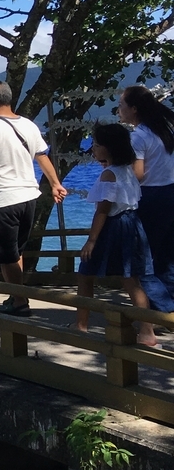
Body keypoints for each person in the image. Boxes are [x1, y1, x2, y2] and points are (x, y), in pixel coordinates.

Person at [0, 81, 68, 315]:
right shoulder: (28, 125)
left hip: (3, 199)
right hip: (29, 197)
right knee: (15, 251)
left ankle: (20, 301)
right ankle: (16, 297)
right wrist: (55, 184)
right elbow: (42, 157)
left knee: (6, 254)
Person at [73, 123, 160, 348]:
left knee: (85, 274)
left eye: (97, 145)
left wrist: (91, 240)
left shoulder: (109, 175)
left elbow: (103, 210)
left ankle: (81, 325)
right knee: (132, 280)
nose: (93, 148)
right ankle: (147, 332)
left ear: (109, 148)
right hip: (132, 224)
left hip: (114, 227)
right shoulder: (127, 170)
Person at [118, 85, 174, 311]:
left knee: (143, 257)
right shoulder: (167, 128)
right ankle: (167, 304)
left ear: (133, 109)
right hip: (171, 191)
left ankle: (163, 309)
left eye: (121, 105)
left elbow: (138, 175)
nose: (119, 110)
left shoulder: (139, 136)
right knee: (167, 256)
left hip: (152, 196)